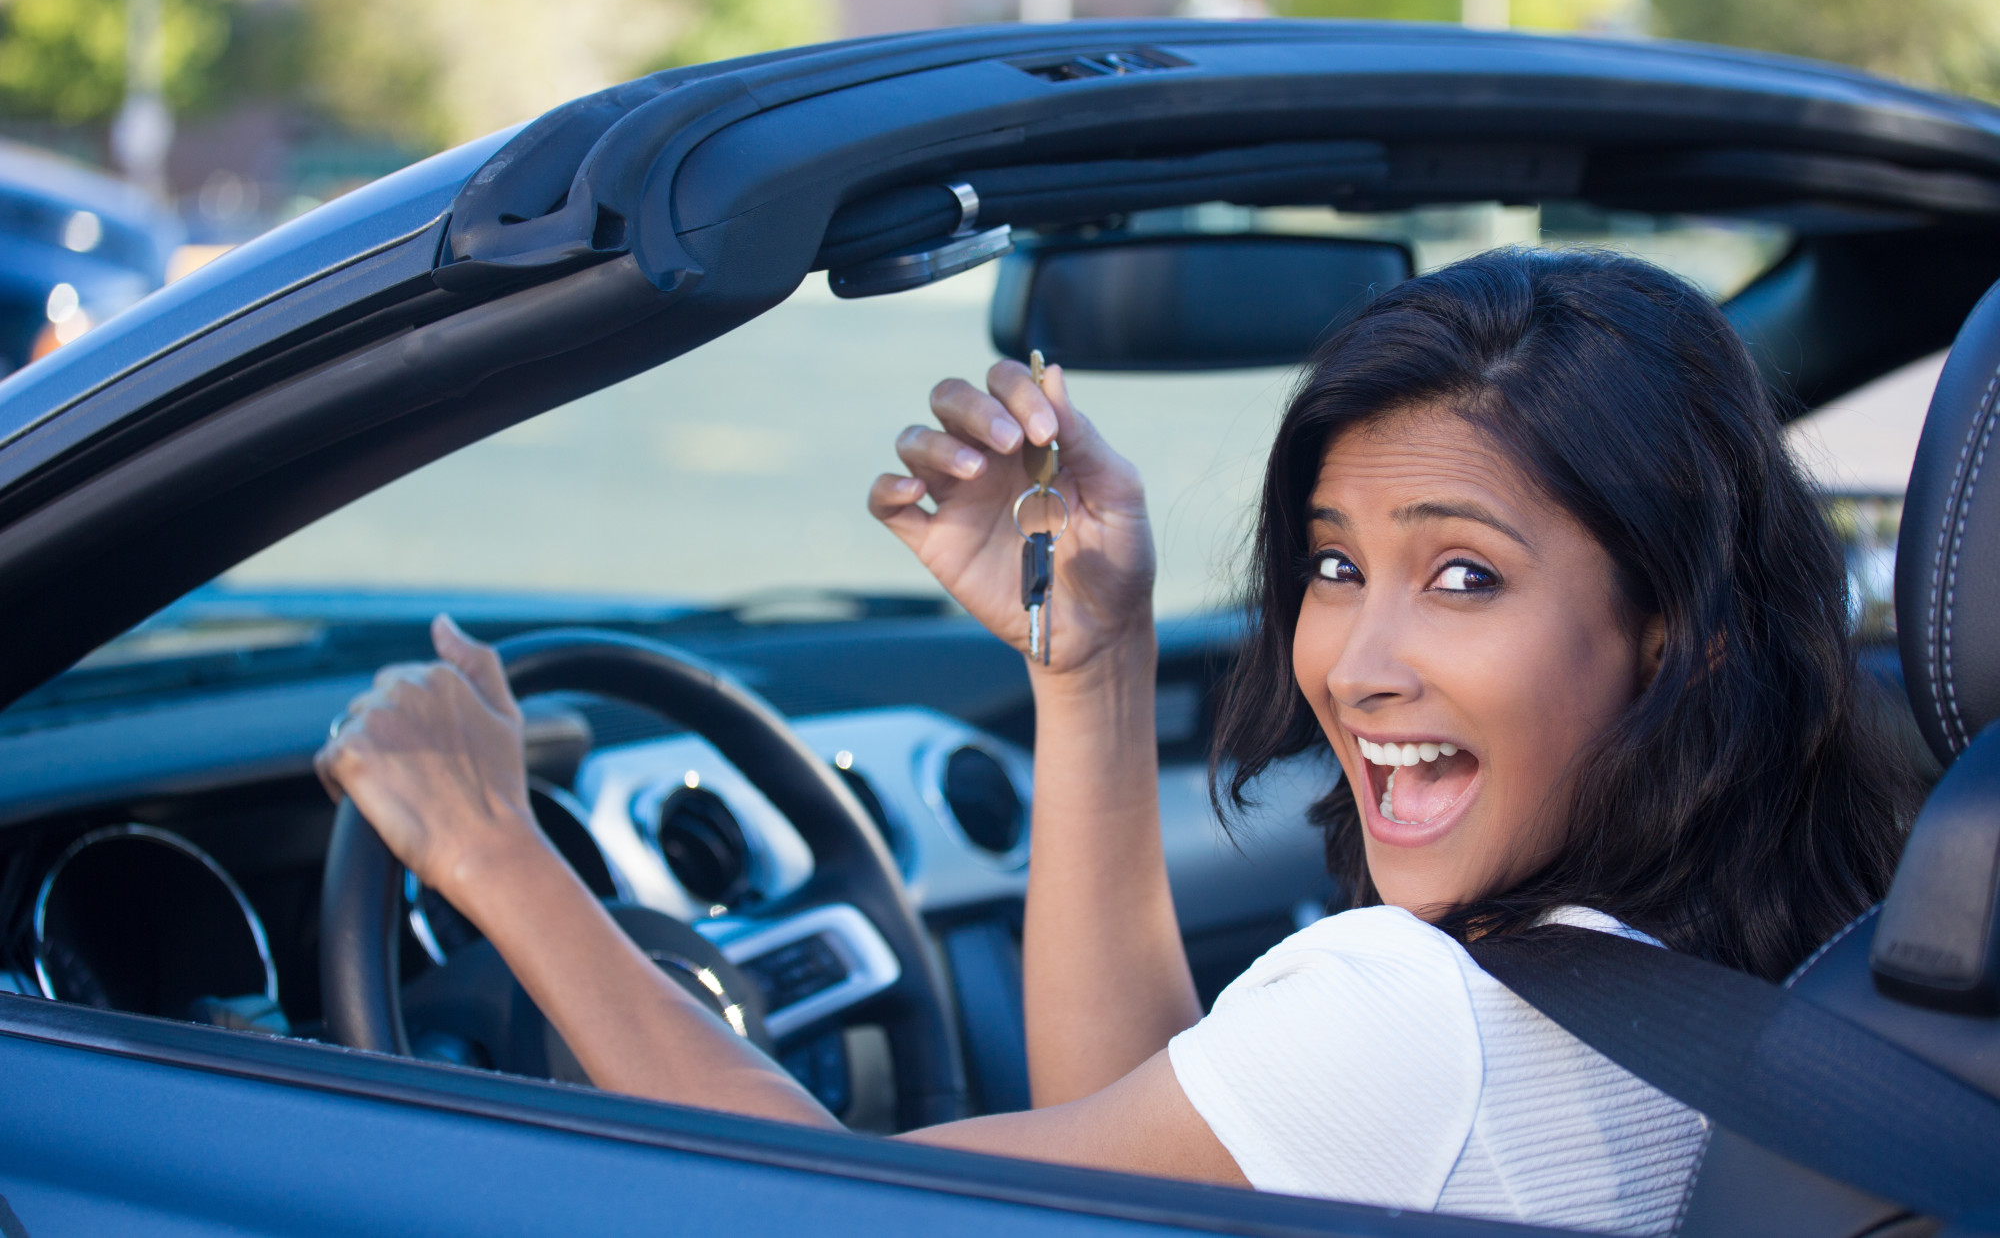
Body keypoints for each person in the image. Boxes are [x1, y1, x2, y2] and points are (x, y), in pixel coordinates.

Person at [317, 248, 1921, 1236]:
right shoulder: (1829, 936)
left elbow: (826, 1216)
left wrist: (493, 855)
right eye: (1337, 563)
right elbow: (1128, 1192)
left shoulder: (1425, 1021)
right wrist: (1089, 666)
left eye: (1463, 576)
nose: (1356, 662)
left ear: (1676, 625)